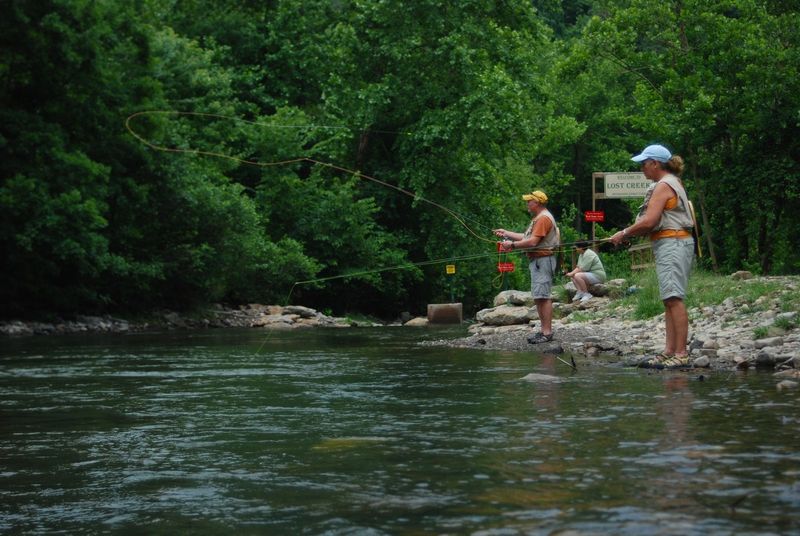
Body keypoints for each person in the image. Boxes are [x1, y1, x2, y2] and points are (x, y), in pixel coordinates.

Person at [610, 144, 695, 369]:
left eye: (643, 163)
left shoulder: (663, 185)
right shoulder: (670, 182)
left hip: (673, 243)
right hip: (671, 242)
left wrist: (624, 233)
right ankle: (669, 351)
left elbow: (649, 221)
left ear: (655, 164)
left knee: (674, 298)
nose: (641, 168)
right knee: (668, 298)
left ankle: (681, 353)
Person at [493, 190, 560, 344]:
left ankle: (547, 333)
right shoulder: (539, 218)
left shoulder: (543, 218)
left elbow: (532, 243)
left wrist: (512, 245)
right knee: (538, 297)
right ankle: (544, 330)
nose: (527, 204)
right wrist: (506, 233)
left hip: (543, 260)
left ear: (537, 203)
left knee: (544, 296)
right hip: (538, 261)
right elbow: (527, 237)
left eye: (529, 201)